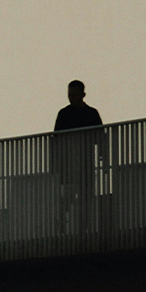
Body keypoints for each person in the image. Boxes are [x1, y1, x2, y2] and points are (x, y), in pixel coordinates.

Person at [52, 80, 106, 234]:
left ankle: (83, 228)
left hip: (85, 162)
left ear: (83, 94)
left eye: (74, 94)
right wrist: (55, 163)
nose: (71, 98)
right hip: (68, 163)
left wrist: (103, 156)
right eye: (70, 95)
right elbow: (56, 140)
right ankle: (61, 222)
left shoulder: (91, 113)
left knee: (85, 197)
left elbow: (100, 137)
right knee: (68, 196)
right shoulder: (64, 114)